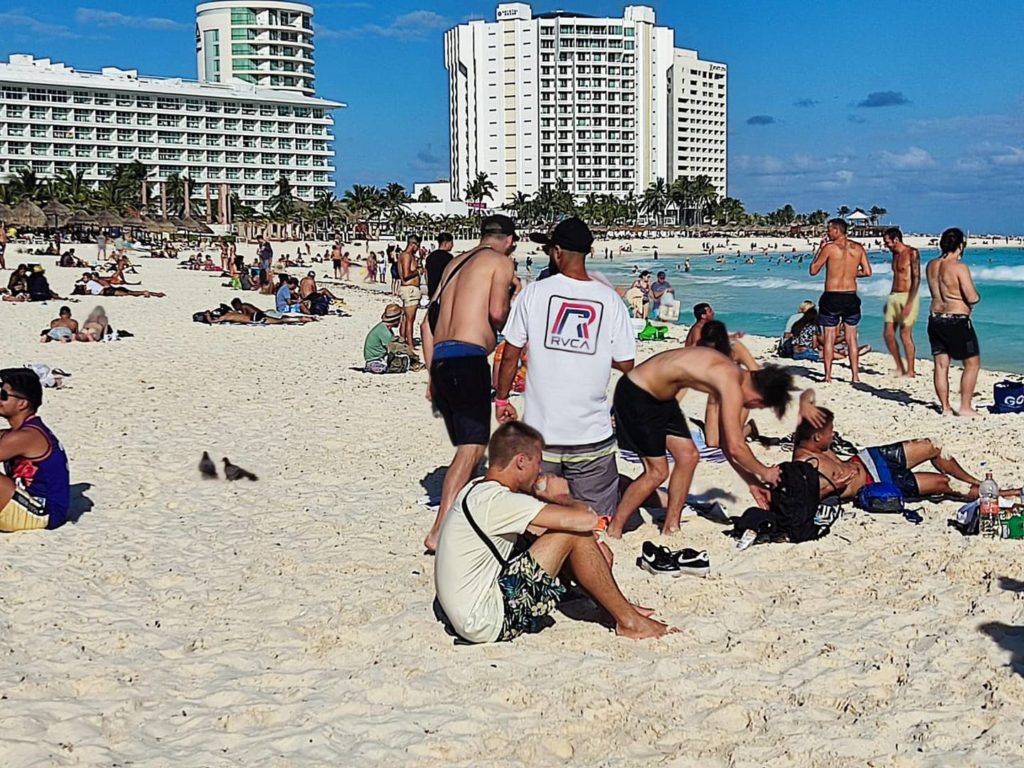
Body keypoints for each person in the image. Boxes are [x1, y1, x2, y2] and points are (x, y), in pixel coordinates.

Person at [434, 422, 673, 643]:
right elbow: (587, 520)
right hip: (485, 621)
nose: (539, 471)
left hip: (466, 612)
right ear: (520, 462)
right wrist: (562, 498)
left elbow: (538, 532)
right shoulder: (500, 502)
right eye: (537, 462)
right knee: (571, 533)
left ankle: (615, 608)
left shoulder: (475, 489)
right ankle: (628, 621)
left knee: (566, 536)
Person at [495, 218, 634, 523]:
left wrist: (502, 400)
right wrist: (592, 352)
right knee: (597, 519)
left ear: (556, 252)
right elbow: (626, 364)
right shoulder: (610, 300)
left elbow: (510, 355)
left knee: (539, 514)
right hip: (591, 433)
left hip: (541, 433)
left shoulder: (534, 293)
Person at [608, 347, 804, 538]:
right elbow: (736, 447)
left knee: (689, 456)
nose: (750, 407)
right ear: (758, 397)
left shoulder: (733, 376)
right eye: (758, 405)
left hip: (660, 399)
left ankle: (671, 526)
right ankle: (614, 529)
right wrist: (765, 472)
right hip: (637, 394)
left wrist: (752, 482)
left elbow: (727, 444)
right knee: (657, 471)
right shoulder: (731, 383)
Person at [421, 215, 518, 553]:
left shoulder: (454, 264)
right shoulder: (500, 262)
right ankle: (439, 529)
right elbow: (496, 314)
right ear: (508, 240)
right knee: (472, 448)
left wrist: (431, 373)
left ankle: (463, 509)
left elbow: (426, 323)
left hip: (444, 358)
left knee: (469, 444)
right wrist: (510, 291)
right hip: (467, 357)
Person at [793, 406, 1015, 501]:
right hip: (878, 481)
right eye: (830, 433)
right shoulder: (805, 463)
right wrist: (835, 487)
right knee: (945, 483)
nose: (833, 436)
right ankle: (1002, 494)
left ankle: (975, 480)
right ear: (816, 437)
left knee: (934, 445)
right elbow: (805, 496)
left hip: (870, 458)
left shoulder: (818, 445)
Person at [0, 368, 70, 532]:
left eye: (3, 395)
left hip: (43, 512)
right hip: (27, 503)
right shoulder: (20, 432)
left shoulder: (27, 436)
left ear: (22, 404)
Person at [926, 227, 981, 417]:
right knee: (972, 363)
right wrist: (976, 298)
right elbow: (971, 296)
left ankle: (945, 407)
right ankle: (965, 406)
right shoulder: (959, 267)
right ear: (960, 245)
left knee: (941, 365)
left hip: (935, 318)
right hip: (957, 320)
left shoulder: (931, 265)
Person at [809, 219, 872, 382]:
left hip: (832, 295)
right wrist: (851, 273)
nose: (827, 233)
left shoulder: (829, 248)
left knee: (829, 337)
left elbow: (813, 270)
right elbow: (867, 272)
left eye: (829, 230)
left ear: (837, 230)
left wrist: (820, 249)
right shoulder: (858, 248)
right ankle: (855, 376)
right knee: (852, 338)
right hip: (851, 296)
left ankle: (828, 376)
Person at [882, 228, 921, 378]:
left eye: (888, 242)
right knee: (888, 334)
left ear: (896, 239)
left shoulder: (912, 253)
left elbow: (916, 278)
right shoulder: (894, 254)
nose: (886, 245)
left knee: (905, 335)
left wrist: (910, 302)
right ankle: (899, 365)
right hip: (894, 295)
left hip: (907, 296)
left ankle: (911, 370)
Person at [397, 234, 423, 354]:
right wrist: (417, 271)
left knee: (406, 318)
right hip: (410, 289)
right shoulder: (407, 256)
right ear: (413, 244)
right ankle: (410, 344)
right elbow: (407, 274)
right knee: (410, 319)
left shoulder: (406, 256)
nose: (418, 249)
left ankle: (404, 340)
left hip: (408, 289)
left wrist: (420, 260)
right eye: (417, 246)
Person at [363, 304, 406, 373]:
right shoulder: (385, 333)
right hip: (376, 360)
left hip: (375, 358)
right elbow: (394, 349)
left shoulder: (382, 328)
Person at [425, 232, 455, 299]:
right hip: (444, 291)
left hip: (432, 291)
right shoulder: (448, 257)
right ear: (445, 243)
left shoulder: (430, 257)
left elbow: (426, 275)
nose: (453, 245)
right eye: (451, 243)